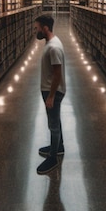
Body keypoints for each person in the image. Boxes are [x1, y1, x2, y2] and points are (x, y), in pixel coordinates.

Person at [34, 14, 66, 175]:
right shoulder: (51, 42)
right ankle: (59, 147)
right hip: (50, 89)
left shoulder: (53, 47)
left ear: (45, 28)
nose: (36, 31)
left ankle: (53, 157)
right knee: (55, 120)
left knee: (53, 125)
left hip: (53, 91)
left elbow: (57, 74)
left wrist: (51, 96)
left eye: (37, 28)